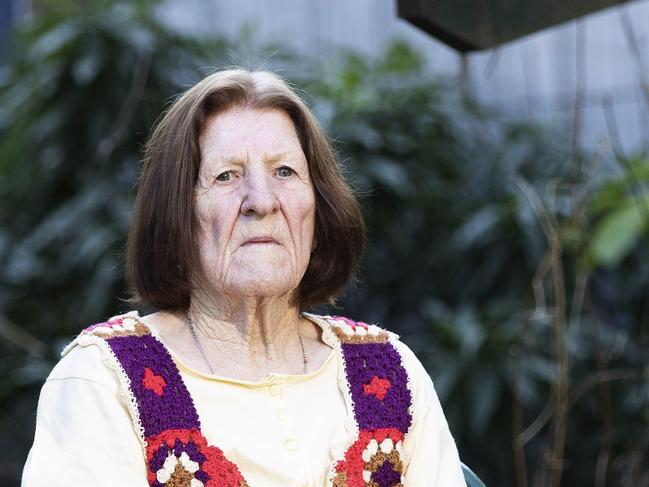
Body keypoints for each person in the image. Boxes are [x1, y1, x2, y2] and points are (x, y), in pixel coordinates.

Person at [22, 68, 467, 487]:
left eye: (285, 172)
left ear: (318, 209)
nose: (261, 200)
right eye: (227, 175)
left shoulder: (390, 371)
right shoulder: (103, 380)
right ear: (176, 214)